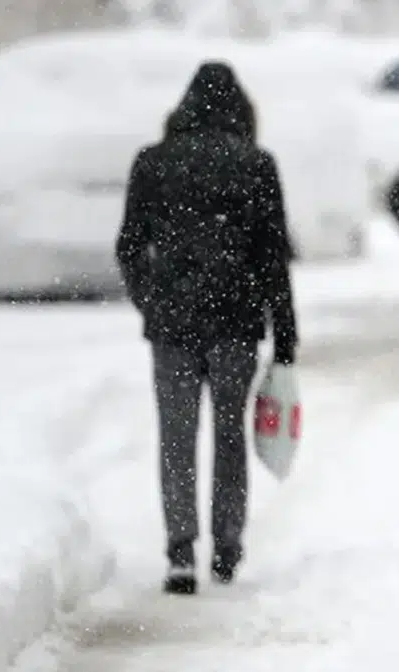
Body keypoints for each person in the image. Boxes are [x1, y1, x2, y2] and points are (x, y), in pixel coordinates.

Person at [115, 61, 298, 596]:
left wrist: (151, 300)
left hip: (171, 323)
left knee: (176, 435)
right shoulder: (256, 164)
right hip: (235, 320)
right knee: (229, 433)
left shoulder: (153, 162)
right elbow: (273, 256)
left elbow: (129, 245)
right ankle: (226, 546)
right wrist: (285, 330)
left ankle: (179, 550)